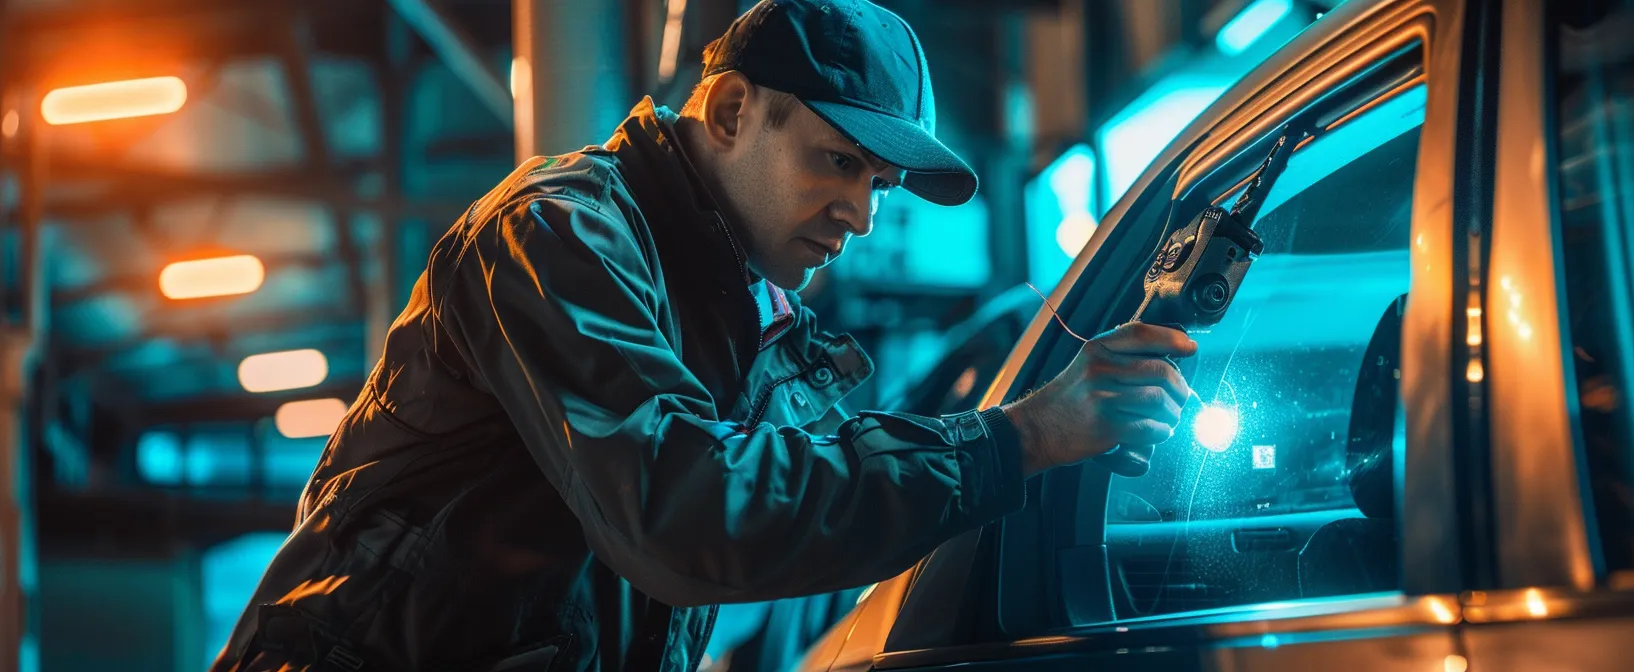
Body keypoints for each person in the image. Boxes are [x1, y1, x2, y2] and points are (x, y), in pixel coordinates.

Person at [210, 1, 1195, 670]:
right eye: (839, 161)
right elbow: (691, 517)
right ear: (728, 111)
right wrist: (1020, 439)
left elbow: (784, 521)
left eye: (878, 189)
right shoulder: (557, 230)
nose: (859, 216)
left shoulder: (740, 322)